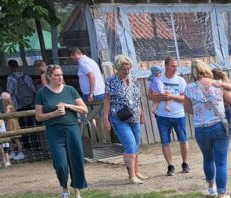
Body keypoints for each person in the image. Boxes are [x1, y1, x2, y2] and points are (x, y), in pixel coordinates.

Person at [184, 59, 231, 198]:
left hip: (201, 128)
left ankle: (211, 187)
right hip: (219, 126)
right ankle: (222, 196)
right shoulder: (217, 84)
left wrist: (201, 111)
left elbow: (188, 109)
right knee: (221, 162)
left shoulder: (189, 88)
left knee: (208, 158)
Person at [35, 64, 90, 198]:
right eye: (56, 75)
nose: (60, 77)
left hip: (72, 129)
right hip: (54, 131)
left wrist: (68, 106)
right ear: (49, 76)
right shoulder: (42, 93)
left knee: (76, 161)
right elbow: (38, 117)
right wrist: (53, 114)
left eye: (61, 75)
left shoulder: (70, 90)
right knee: (60, 164)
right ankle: (65, 189)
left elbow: (84, 109)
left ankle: (77, 194)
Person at [103, 54, 146, 183]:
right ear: (117, 68)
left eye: (128, 69)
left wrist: (142, 113)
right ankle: (131, 176)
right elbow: (107, 101)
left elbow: (137, 99)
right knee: (130, 146)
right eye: (123, 69)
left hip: (134, 117)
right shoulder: (111, 81)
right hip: (119, 118)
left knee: (136, 145)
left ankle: (137, 172)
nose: (126, 72)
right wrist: (106, 118)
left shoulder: (133, 78)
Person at [147, 57, 190, 175]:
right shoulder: (158, 78)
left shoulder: (180, 80)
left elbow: (185, 98)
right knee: (165, 142)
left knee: (183, 139)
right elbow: (149, 95)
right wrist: (158, 97)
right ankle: (170, 166)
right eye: (172, 66)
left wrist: (171, 97)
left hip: (178, 115)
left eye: (176, 66)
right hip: (162, 115)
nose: (175, 68)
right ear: (165, 66)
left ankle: (185, 163)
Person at [5, 59, 38, 161]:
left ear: (10, 67)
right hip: (29, 103)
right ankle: (35, 144)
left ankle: (25, 146)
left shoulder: (11, 77)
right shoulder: (26, 75)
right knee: (31, 123)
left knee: (21, 125)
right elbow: (33, 89)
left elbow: (9, 91)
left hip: (18, 104)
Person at [70, 47, 105, 130]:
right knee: (97, 116)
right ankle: (100, 134)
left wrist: (91, 93)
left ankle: (95, 135)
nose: (71, 60)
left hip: (93, 94)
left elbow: (92, 77)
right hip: (99, 92)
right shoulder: (90, 60)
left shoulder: (83, 63)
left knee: (90, 116)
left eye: (71, 58)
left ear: (75, 54)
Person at [210, 66, 231, 134]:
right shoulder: (221, 82)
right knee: (229, 110)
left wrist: (221, 84)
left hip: (222, 105)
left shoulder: (219, 82)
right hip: (221, 105)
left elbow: (230, 87)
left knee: (228, 109)